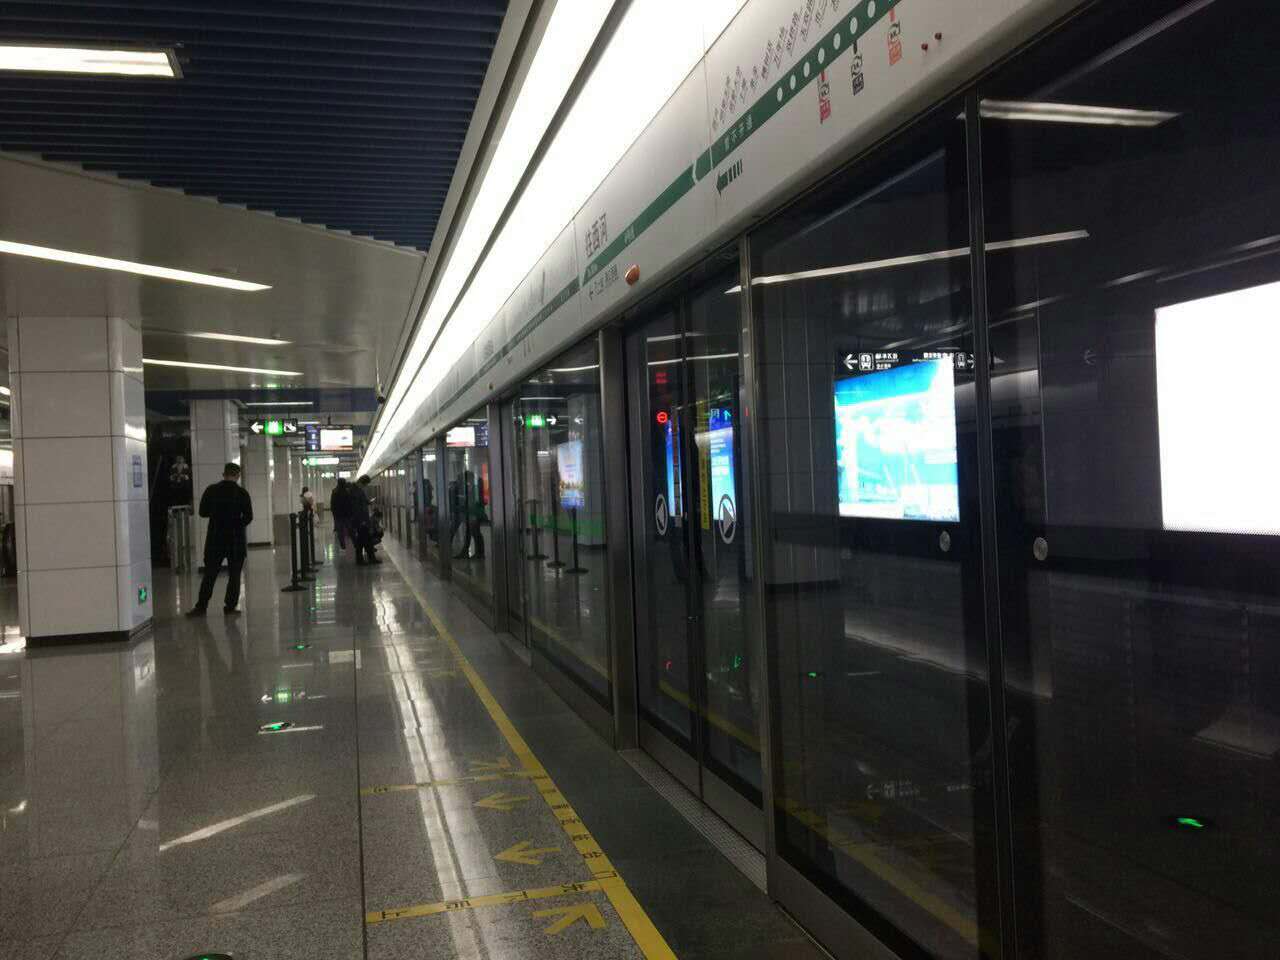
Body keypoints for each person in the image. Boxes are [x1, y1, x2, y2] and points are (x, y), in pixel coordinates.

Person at [187, 462, 253, 616]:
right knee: (234, 575)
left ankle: (201, 606)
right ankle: (230, 607)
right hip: (235, 539)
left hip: (215, 538)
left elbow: (202, 512)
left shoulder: (211, 490)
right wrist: (237, 523)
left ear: (224, 474)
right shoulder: (242, 493)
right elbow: (249, 516)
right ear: (238, 476)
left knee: (210, 574)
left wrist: (217, 515)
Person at [350, 475, 381, 565]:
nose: (365, 486)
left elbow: (362, 502)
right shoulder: (355, 491)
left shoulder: (357, 490)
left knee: (363, 540)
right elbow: (356, 508)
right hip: (361, 521)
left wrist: (368, 502)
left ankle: (365, 559)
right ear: (362, 483)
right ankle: (366, 559)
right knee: (364, 540)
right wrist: (362, 521)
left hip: (362, 520)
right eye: (365, 484)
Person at [330, 478, 352, 549]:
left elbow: (332, 503)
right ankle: (354, 541)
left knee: (340, 530)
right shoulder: (347, 491)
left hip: (338, 514)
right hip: (346, 513)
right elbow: (350, 503)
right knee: (349, 527)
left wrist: (333, 512)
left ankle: (342, 544)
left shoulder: (334, 491)